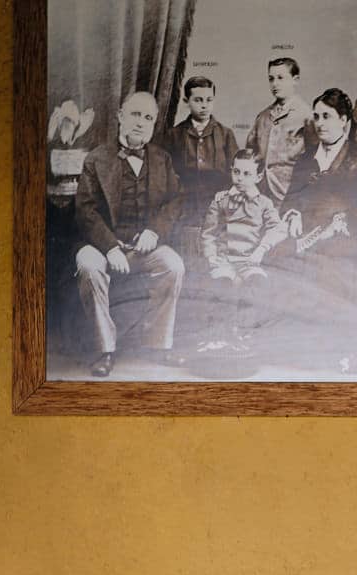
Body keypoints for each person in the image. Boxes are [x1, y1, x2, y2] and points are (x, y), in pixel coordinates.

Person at [73, 90, 185, 377]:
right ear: (120, 116)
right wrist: (109, 247)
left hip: (143, 247)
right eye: (135, 114)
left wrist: (154, 231)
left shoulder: (162, 159)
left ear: (154, 123)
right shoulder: (96, 159)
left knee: (173, 265)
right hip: (101, 245)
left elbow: (175, 201)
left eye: (148, 118)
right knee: (88, 266)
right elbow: (85, 210)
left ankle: (157, 344)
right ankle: (105, 350)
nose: (140, 123)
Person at [283, 88, 357, 251]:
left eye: (327, 116)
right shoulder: (306, 158)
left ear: (342, 120)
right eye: (316, 117)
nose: (320, 123)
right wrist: (293, 214)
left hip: (340, 241)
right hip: (301, 235)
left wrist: (340, 222)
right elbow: (291, 197)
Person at [201, 150, 289, 285]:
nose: (240, 178)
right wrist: (211, 256)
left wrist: (261, 250)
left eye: (247, 174)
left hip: (250, 261)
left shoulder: (264, 203)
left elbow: (278, 229)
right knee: (220, 284)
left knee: (258, 283)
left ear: (259, 177)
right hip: (223, 260)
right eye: (236, 172)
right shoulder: (220, 200)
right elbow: (208, 233)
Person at [163, 75, 240, 230]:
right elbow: (166, 173)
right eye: (198, 100)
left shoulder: (225, 134)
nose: (204, 105)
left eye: (209, 100)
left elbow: (235, 173)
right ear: (187, 102)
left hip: (218, 206)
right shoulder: (174, 135)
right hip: (183, 207)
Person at [246, 56, 314, 204]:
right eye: (271, 79)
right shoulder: (263, 117)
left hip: (290, 195)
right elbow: (250, 153)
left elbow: (314, 159)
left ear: (295, 80)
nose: (275, 84)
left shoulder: (307, 116)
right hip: (261, 194)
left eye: (281, 78)